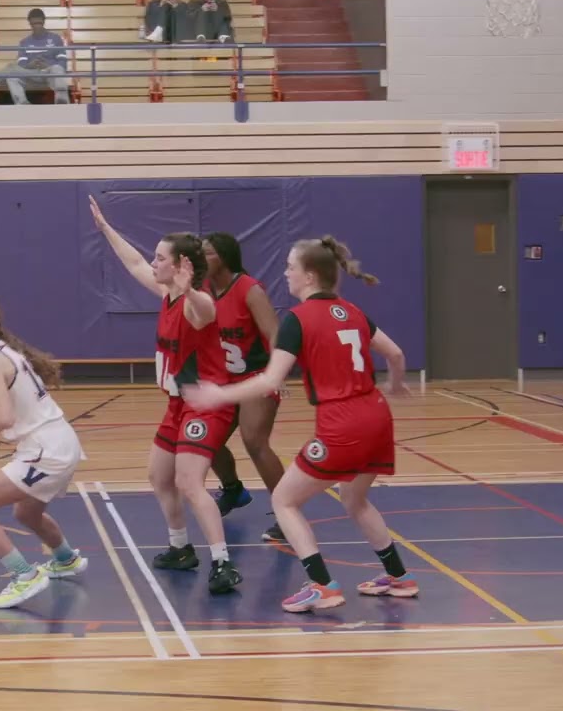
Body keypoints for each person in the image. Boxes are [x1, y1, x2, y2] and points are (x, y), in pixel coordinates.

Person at [182, 236, 417, 613]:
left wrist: (218, 396)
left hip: (342, 421)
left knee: (284, 500)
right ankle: (399, 576)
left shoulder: (297, 319)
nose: (286, 272)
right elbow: (396, 353)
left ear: (309, 276)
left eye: (291, 266)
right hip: (377, 413)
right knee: (354, 498)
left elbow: (271, 381)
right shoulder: (353, 311)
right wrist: (397, 383)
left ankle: (322, 585)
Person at [89, 195, 241, 594]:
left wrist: (189, 290)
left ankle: (223, 563)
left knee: (190, 482)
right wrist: (106, 230)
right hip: (178, 405)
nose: (152, 262)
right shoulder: (167, 294)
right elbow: (135, 264)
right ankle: (180, 549)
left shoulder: (200, 301)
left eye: (160, 258)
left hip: (206, 405)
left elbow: (202, 313)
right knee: (160, 476)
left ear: (180, 266)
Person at [0, 290, 89, 609]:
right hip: (58, 441)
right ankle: (66, 560)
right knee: (25, 511)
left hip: (46, 450)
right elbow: (11, 412)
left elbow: (5, 418)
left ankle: (25, 576)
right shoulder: (3, 353)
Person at [201, 233, 287, 542]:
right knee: (203, 442)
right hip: (223, 381)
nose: (201, 259)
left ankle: (287, 513)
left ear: (222, 257)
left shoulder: (249, 290)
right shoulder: (204, 291)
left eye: (207, 253)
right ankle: (233, 489)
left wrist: (276, 375)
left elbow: (275, 333)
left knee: (254, 441)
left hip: (256, 376)